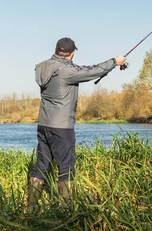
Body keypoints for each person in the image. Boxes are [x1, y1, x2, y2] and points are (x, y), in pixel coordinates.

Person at [27, 37, 126, 207]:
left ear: (57, 50)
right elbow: (90, 71)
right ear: (71, 53)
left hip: (44, 124)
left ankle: (30, 207)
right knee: (66, 166)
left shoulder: (44, 66)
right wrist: (114, 62)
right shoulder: (66, 70)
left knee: (41, 165)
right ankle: (66, 210)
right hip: (62, 126)